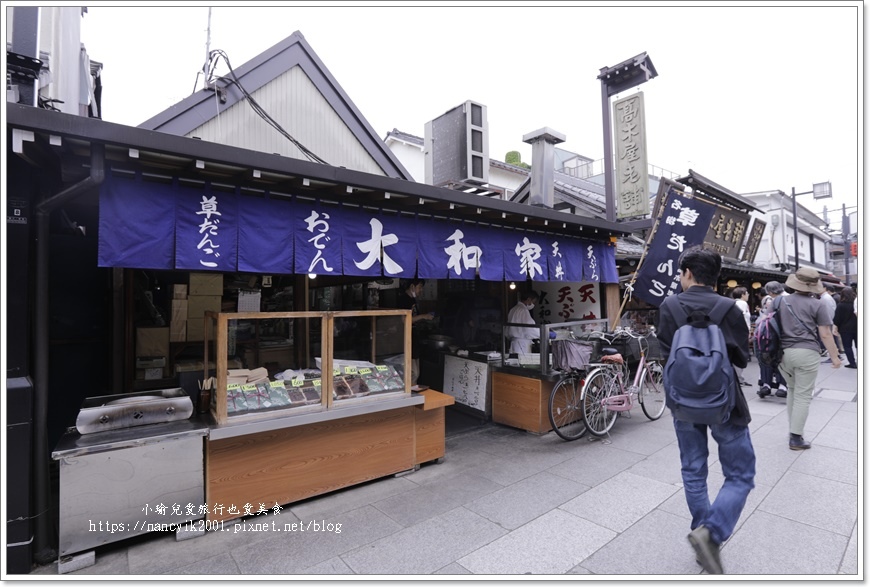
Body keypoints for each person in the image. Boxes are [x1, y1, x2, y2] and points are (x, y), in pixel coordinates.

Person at [656, 246, 754, 575]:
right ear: (716, 276)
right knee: (740, 474)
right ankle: (711, 534)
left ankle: (702, 531)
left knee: (694, 470)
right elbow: (741, 357)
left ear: (686, 273)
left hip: (683, 402)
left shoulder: (670, 306)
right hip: (724, 401)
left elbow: (665, 352)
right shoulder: (729, 308)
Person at [779, 267, 842, 451]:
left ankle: (793, 429)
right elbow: (825, 334)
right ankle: (796, 438)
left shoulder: (780, 302)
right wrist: (835, 357)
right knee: (803, 395)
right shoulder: (818, 304)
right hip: (806, 353)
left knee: (792, 389)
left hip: (783, 354)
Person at [395, 278, 435, 385]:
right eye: (420, 287)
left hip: (413, 338)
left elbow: (413, 318)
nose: (421, 290)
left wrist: (422, 319)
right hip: (406, 338)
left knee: (415, 371)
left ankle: (413, 392)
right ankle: (410, 394)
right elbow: (404, 320)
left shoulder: (412, 300)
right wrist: (423, 316)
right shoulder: (404, 300)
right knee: (413, 372)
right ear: (412, 286)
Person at [756, 281, 788, 398]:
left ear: (770, 292)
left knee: (766, 358)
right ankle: (782, 386)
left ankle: (766, 384)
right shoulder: (790, 299)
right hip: (786, 336)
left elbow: (763, 319)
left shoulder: (777, 300)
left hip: (769, 336)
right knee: (781, 360)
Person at [506, 290, 540, 355]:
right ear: (529, 299)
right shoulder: (523, 310)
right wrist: (544, 332)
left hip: (514, 343)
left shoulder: (513, 309)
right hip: (522, 344)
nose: (533, 304)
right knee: (522, 363)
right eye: (534, 302)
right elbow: (529, 329)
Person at [731, 287, 752, 387]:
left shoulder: (734, 303)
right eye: (747, 293)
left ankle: (739, 377)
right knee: (741, 354)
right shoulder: (742, 303)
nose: (748, 295)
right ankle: (739, 378)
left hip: (736, 332)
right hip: (741, 333)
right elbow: (743, 318)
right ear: (742, 294)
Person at [833, 286, 858, 369]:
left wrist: (835, 327)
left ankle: (852, 363)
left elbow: (837, 318)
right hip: (857, 328)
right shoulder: (856, 303)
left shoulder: (841, 305)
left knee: (847, 346)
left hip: (845, 329)